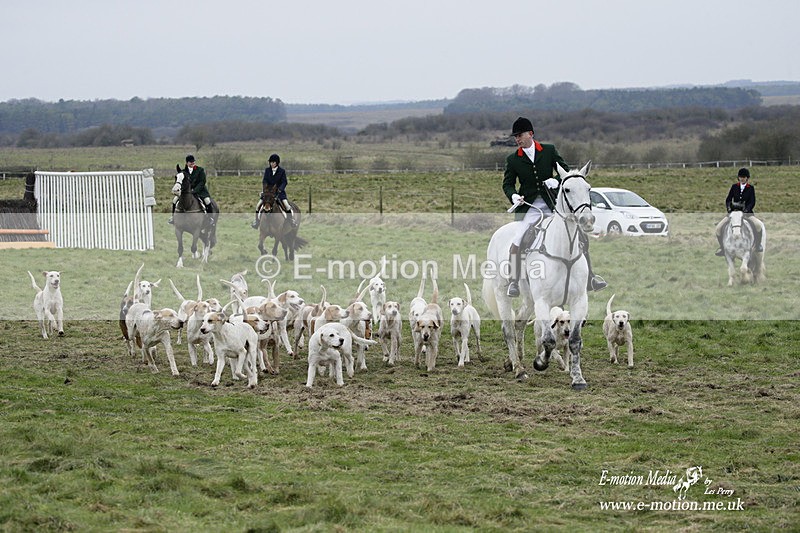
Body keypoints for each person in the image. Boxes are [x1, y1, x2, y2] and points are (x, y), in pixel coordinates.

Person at [503, 117, 606, 297]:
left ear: (530, 134)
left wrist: (556, 180)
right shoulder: (513, 159)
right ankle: (514, 281)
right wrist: (514, 196)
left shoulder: (549, 150)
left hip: (553, 204)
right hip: (529, 207)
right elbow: (508, 184)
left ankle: (591, 276)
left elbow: (568, 173)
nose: (517, 139)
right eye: (516, 136)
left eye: (520, 135)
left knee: (580, 235)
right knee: (518, 239)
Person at [714, 167, 764, 255]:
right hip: (734, 213)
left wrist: (747, 210)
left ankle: (758, 245)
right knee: (718, 228)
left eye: (744, 177)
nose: (742, 179)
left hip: (747, 213)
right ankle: (722, 248)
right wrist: (729, 208)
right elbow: (728, 199)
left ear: (747, 178)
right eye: (740, 177)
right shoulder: (734, 187)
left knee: (758, 225)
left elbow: (752, 202)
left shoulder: (750, 188)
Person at [168, 154, 216, 226]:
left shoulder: (200, 170)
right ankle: (173, 218)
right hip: (186, 192)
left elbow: (202, 182)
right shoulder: (183, 172)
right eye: (191, 162)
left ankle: (210, 218)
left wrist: (194, 190)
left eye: (193, 161)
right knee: (174, 200)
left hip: (200, 191)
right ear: (187, 163)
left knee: (207, 201)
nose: (192, 163)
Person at [251, 153, 296, 228]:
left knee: (287, 206)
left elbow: (284, 182)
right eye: (270, 162)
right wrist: (265, 189)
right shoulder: (267, 170)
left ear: (277, 163)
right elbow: (265, 180)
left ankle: (291, 221)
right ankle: (257, 222)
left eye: (273, 162)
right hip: (268, 193)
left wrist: (280, 189)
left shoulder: (282, 171)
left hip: (279, 193)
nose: (271, 164)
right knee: (258, 205)